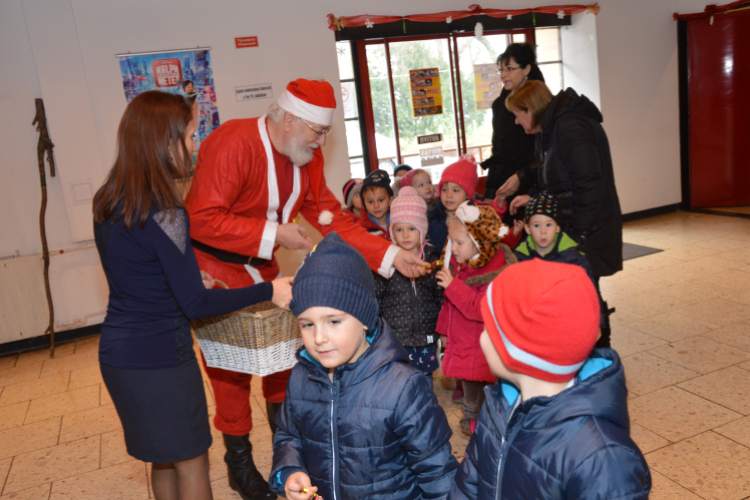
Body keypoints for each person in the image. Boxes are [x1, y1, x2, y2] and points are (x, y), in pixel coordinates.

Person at [185, 79, 428, 500]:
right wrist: (273, 231)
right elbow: (202, 218)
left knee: (284, 360)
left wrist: (389, 254)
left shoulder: (305, 156)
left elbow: (333, 217)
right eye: (318, 131)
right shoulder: (233, 142)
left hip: (266, 269)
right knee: (230, 371)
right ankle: (239, 464)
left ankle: (289, 454)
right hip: (218, 272)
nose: (321, 142)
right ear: (291, 119)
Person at [92, 90, 294, 500]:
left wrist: (183, 280)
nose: (194, 145)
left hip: (118, 354)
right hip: (161, 358)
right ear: (165, 144)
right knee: (192, 462)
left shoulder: (110, 200)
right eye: (188, 137)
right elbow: (196, 305)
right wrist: (269, 289)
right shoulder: (167, 211)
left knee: (163, 459)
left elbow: (136, 274)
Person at [269, 232, 458, 500]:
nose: (319, 338)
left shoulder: (403, 386)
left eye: (333, 321)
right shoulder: (301, 377)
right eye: (307, 324)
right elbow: (289, 436)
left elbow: (437, 473)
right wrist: (289, 471)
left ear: (365, 318)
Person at [449, 260, 651, 499]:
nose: (481, 336)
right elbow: (470, 482)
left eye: (487, 327)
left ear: (513, 350)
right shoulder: (498, 405)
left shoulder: (603, 459)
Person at [497, 80, 623, 347]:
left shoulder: (571, 128)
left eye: (518, 115)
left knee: (586, 296)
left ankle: (600, 359)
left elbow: (590, 188)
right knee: (581, 295)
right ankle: (583, 357)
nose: (517, 123)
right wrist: (525, 181)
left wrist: (576, 235)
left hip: (588, 228)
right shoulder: (552, 129)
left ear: (530, 110)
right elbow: (555, 171)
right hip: (575, 225)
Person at [435, 201, 514, 435]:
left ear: (480, 242)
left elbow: (478, 308)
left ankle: (489, 421)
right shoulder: (465, 264)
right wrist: (443, 332)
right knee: (470, 384)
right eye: (451, 241)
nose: (454, 248)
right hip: (467, 343)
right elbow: (449, 306)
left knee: (489, 386)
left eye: (459, 243)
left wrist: (452, 286)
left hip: (484, 346)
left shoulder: (494, 275)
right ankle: (471, 417)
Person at [374, 187, 444, 388]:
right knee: (399, 379)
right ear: (392, 231)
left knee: (426, 379)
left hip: (426, 335)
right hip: (396, 337)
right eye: (399, 229)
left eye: (411, 229)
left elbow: (440, 296)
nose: (405, 235)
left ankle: (426, 411)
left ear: (422, 229)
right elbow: (377, 297)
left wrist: (443, 329)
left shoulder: (431, 258)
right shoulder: (386, 261)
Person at [481, 43, 544, 210]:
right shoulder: (500, 105)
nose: (504, 75)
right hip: (507, 184)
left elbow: (547, 153)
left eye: (509, 68)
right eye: (501, 70)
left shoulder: (541, 102)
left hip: (536, 183)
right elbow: (498, 151)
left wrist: (522, 177)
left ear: (526, 69)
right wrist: (490, 192)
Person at [427, 158, 477, 251]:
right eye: (445, 189)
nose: (449, 195)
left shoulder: (476, 217)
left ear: (467, 195)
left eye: (455, 190)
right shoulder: (432, 217)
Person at [359, 169, 394, 240]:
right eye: (370, 202)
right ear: (364, 203)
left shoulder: (398, 221)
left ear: (390, 200)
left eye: (381, 200)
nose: (376, 206)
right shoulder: (360, 228)